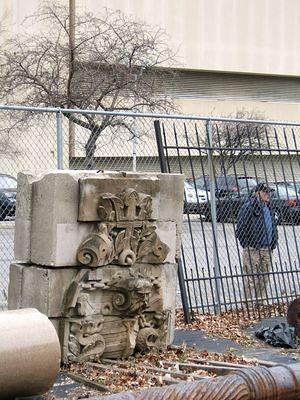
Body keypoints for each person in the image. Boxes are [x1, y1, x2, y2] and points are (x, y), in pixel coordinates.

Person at [236, 183, 278, 302]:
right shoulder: (248, 207)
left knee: (264, 277)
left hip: (267, 248)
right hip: (252, 249)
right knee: (251, 278)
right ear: (258, 193)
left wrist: (273, 242)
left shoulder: (269, 207)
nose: (268, 195)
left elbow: (273, 226)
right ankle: (248, 305)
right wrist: (247, 244)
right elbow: (241, 227)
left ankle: (260, 302)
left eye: (268, 192)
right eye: (265, 192)